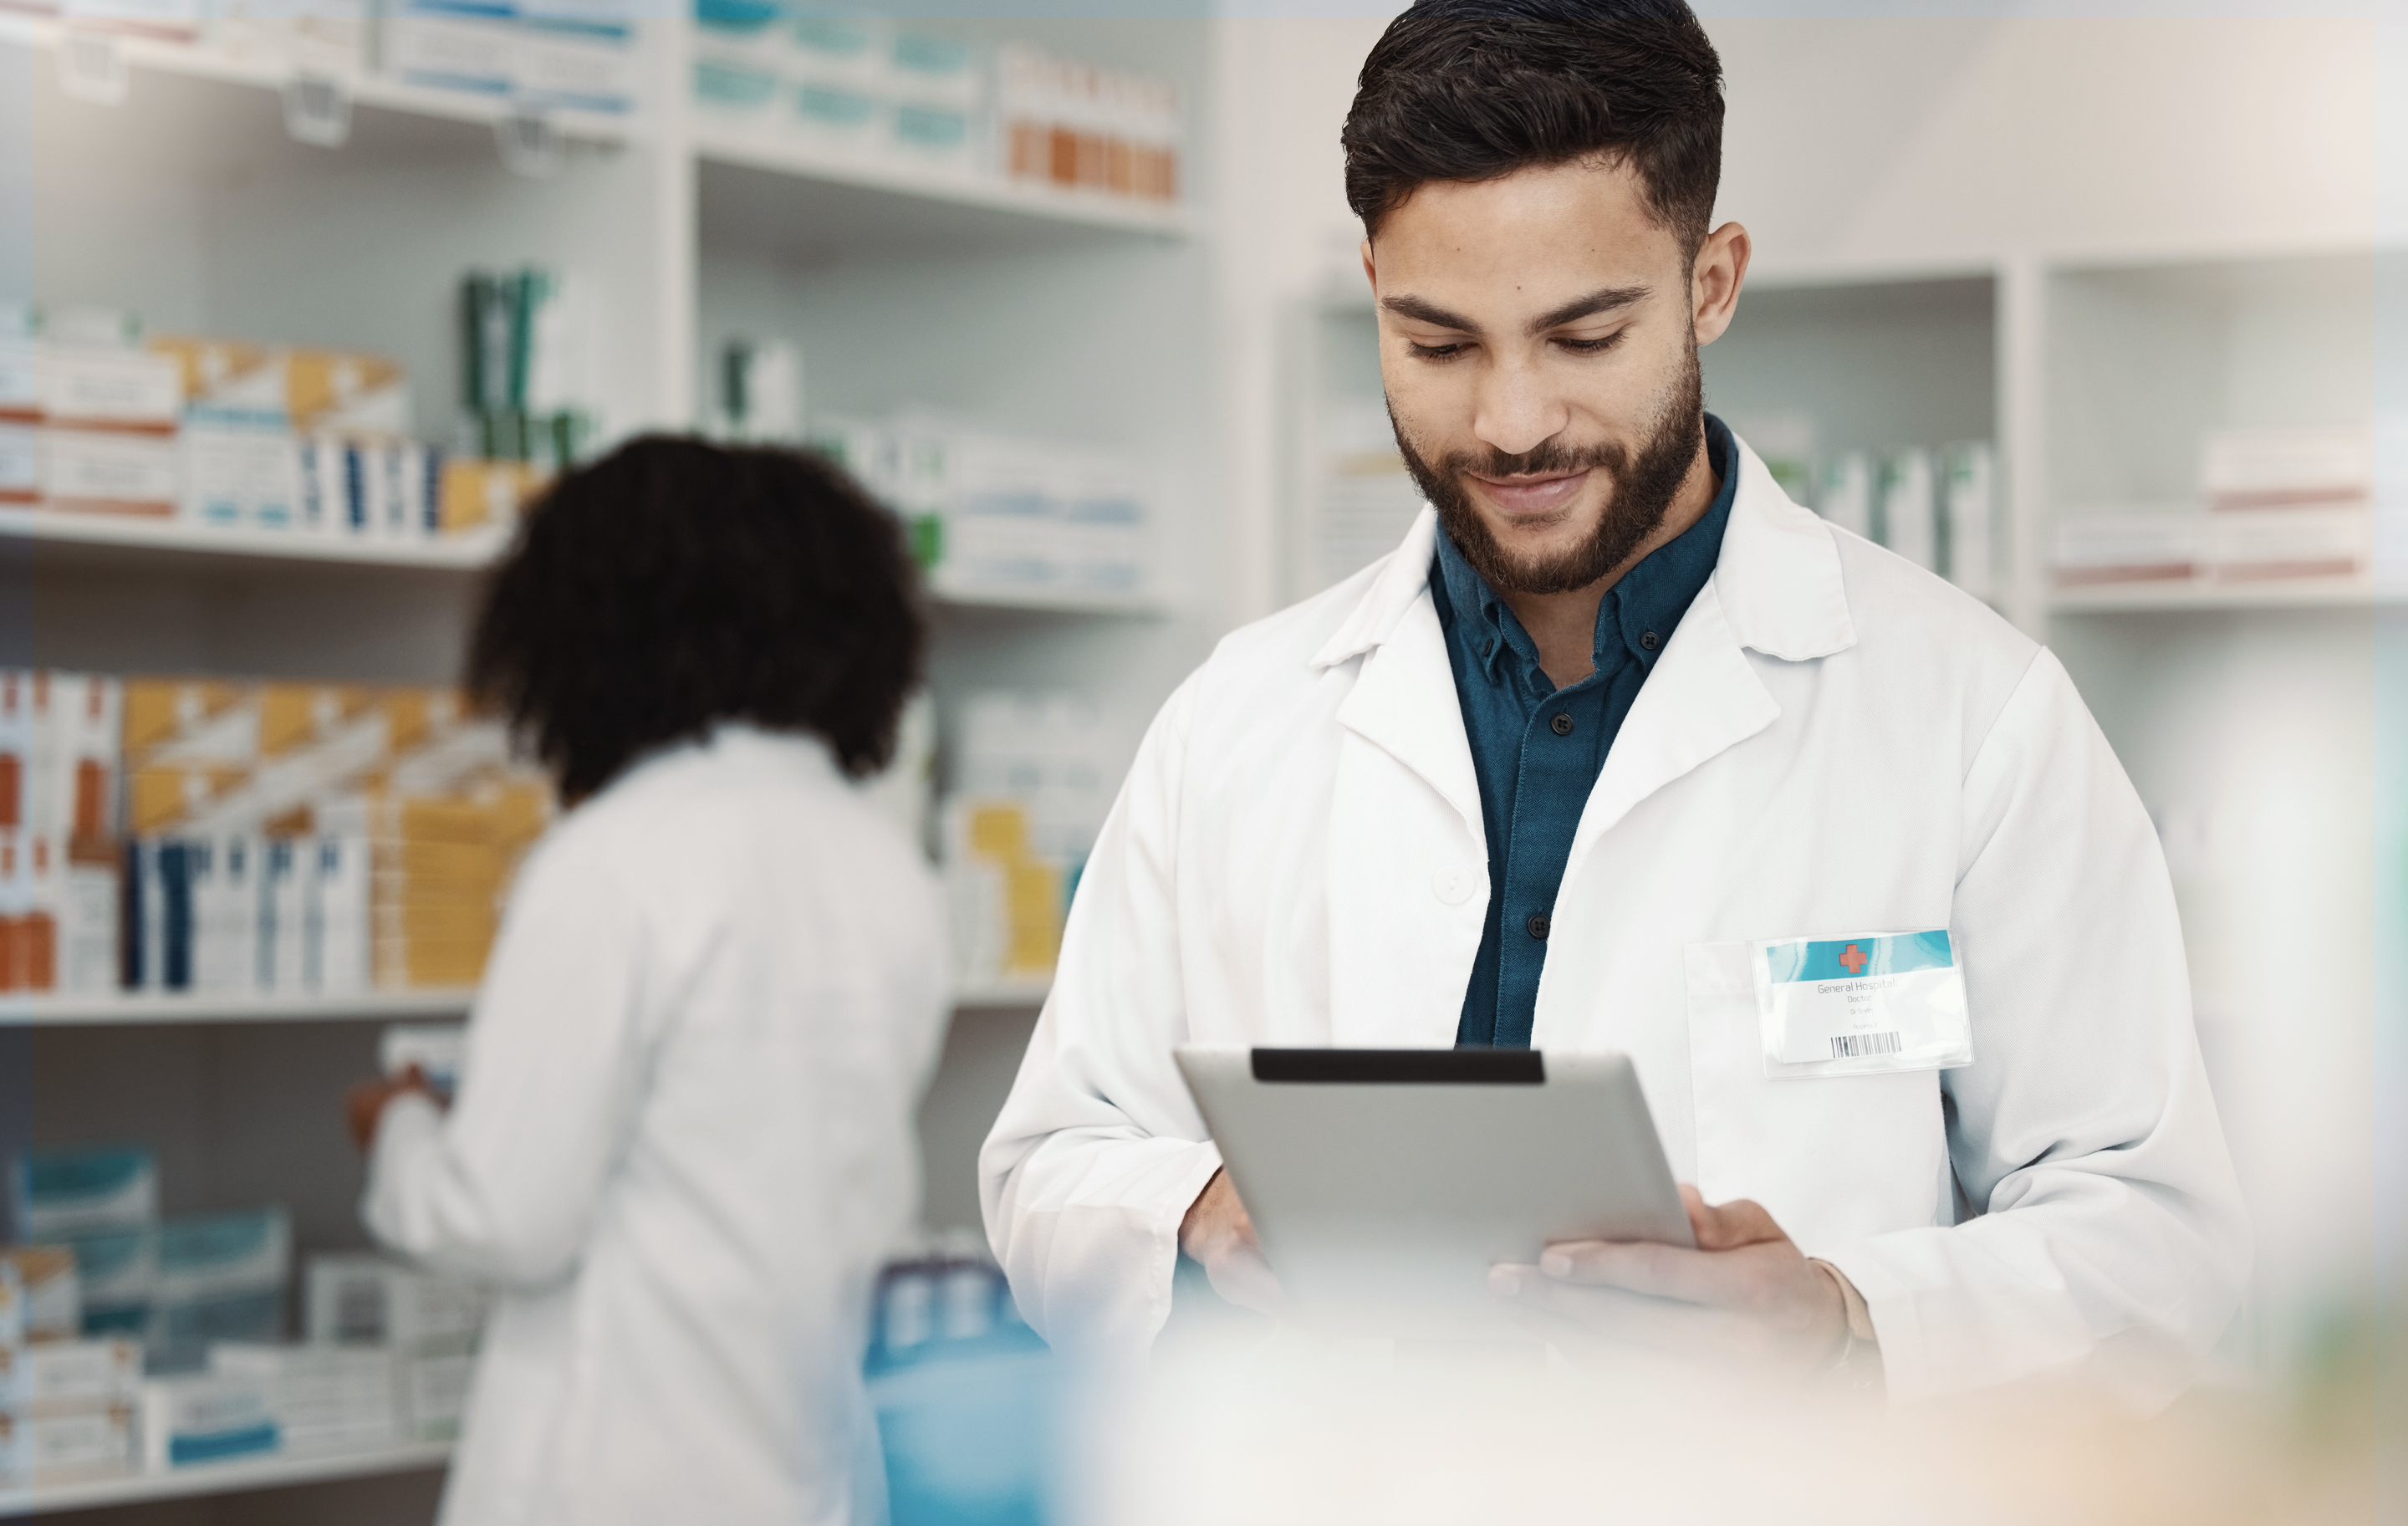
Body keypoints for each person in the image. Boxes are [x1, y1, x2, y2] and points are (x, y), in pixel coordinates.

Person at [982, 0, 2248, 1405]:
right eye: (1439, 343)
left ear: (1711, 282)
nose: (1512, 421)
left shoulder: (1970, 716)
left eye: (1583, 335)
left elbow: (2157, 1246)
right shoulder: (1239, 721)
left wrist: (1848, 1315)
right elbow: (1050, 1164)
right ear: (1375, 291)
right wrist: (1201, 1210)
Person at [346, 436, 948, 1524]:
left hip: (614, 1466)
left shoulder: (615, 857)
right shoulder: (881, 863)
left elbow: (505, 1217)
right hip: (809, 1465)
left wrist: (399, 1131)